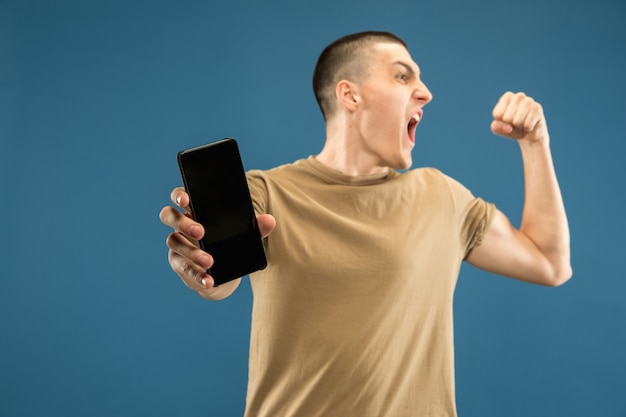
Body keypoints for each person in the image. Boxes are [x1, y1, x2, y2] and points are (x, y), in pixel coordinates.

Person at [159, 31, 571, 417]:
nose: (425, 92)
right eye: (402, 75)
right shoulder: (267, 192)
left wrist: (536, 143)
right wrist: (198, 265)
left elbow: (550, 264)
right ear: (349, 95)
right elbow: (219, 278)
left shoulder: (442, 198)